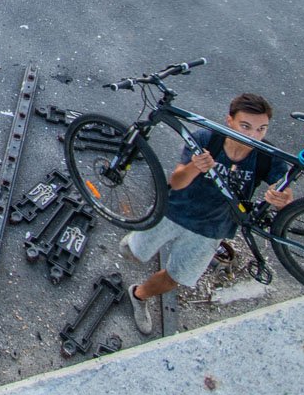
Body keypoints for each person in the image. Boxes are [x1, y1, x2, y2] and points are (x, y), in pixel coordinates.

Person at [121, 93, 293, 334]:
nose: (253, 136)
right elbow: (177, 182)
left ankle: (138, 296)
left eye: (261, 129)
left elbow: (283, 192)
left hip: (212, 229)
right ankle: (135, 243)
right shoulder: (205, 139)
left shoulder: (266, 155)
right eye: (245, 126)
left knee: (175, 277)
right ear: (229, 121)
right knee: (134, 253)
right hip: (174, 212)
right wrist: (195, 167)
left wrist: (282, 198)